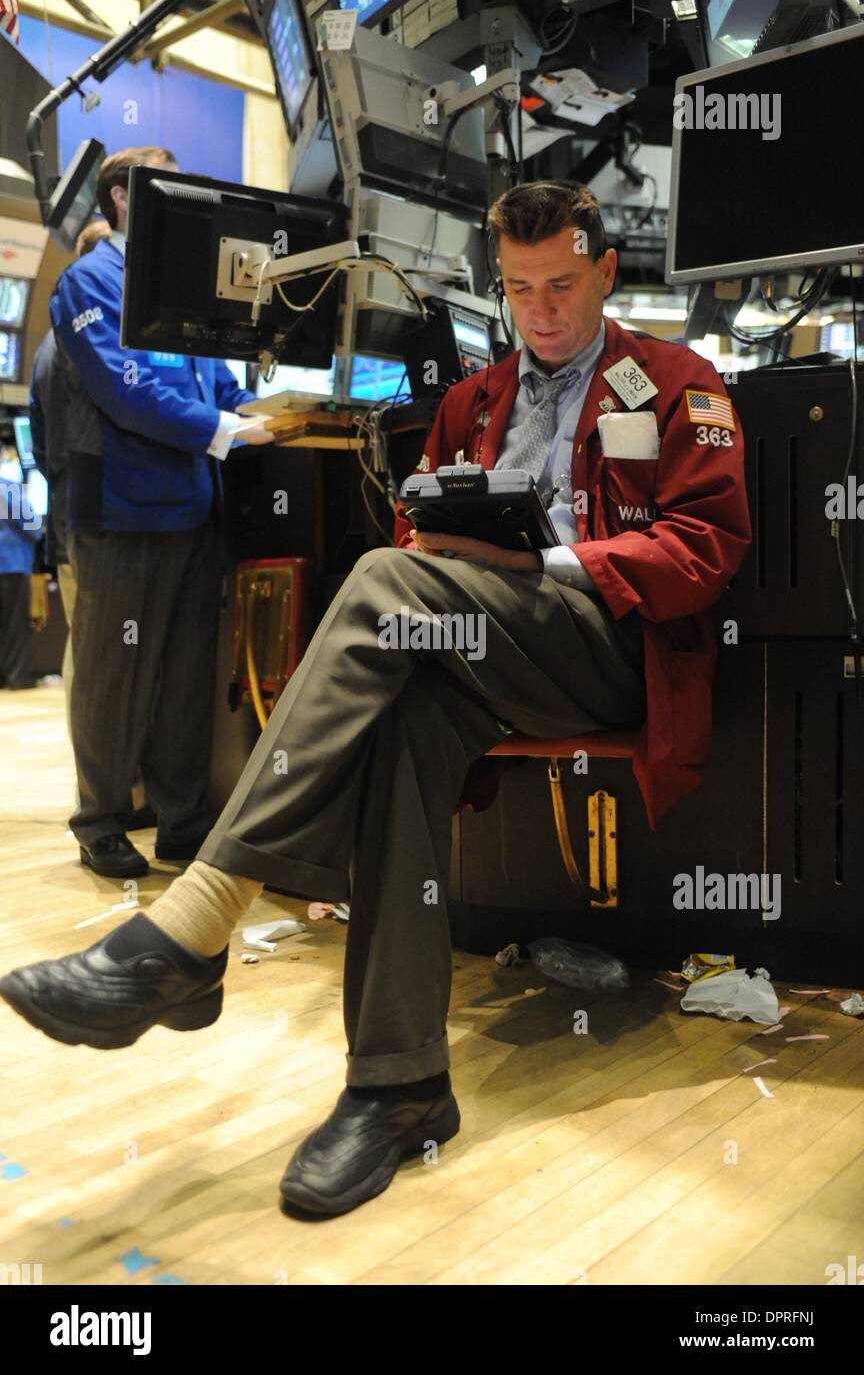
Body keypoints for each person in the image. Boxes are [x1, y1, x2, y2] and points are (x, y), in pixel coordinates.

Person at [0, 180, 751, 1219]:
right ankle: (398, 1089)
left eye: (564, 285)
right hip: (482, 651)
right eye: (521, 287)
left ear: (607, 271)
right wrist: (452, 549)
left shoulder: (676, 382)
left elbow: (705, 549)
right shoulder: (471, 401)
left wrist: (546, 567)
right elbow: (417, 550)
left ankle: (195, 928)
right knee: (401, 710)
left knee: (385, 587)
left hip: (609, 644)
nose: (541, 310)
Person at [43, 146, 273, 879]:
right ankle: (101, 819)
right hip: (123, 511)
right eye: (172, 195)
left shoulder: (182, 286)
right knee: (115, 673)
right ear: (121, 199)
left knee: (182, 676)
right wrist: (217, 429)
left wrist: (263, 412)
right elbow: (125, 391)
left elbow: (220, 384)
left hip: (193, 509)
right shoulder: (88, 282)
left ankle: (181, 821)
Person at [29, 219, 155, 827]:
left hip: (70, 513)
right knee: (101, 661)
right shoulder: (81, 339)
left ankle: (109, 786)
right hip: (94, 513)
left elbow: (41, 444)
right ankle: (108, 794)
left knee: (94, 654)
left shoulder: (46, 351)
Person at [0, 431, 42, 689]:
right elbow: (31, 524)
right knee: (14, 623)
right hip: (10, 562)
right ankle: (16, 677)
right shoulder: (6, 487)